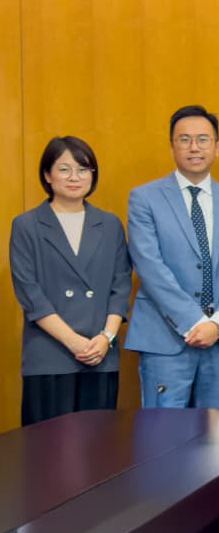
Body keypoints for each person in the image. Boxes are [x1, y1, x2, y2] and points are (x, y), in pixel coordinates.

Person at [124, 105, 219, 409]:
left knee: (216, 433)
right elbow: (149, 265)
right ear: (172, 147)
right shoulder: (144, 198)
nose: (194, 147)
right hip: (165, 338)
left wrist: (218, 323)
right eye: (184, 140)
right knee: (163, 432)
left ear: (217, 147)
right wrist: (195, 322)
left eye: (203, 139)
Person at [9, 137, 133, 424]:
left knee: (99, 444)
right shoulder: (27, 225)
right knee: (47, 446)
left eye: (83, 169)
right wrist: (73, 341)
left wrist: (106, 338)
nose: (74, 177)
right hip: (49, 354)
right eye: (64, 169)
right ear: (47, 175)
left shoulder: (110, 224)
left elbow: (121, 286)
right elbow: (30, 294)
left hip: (100, 353)